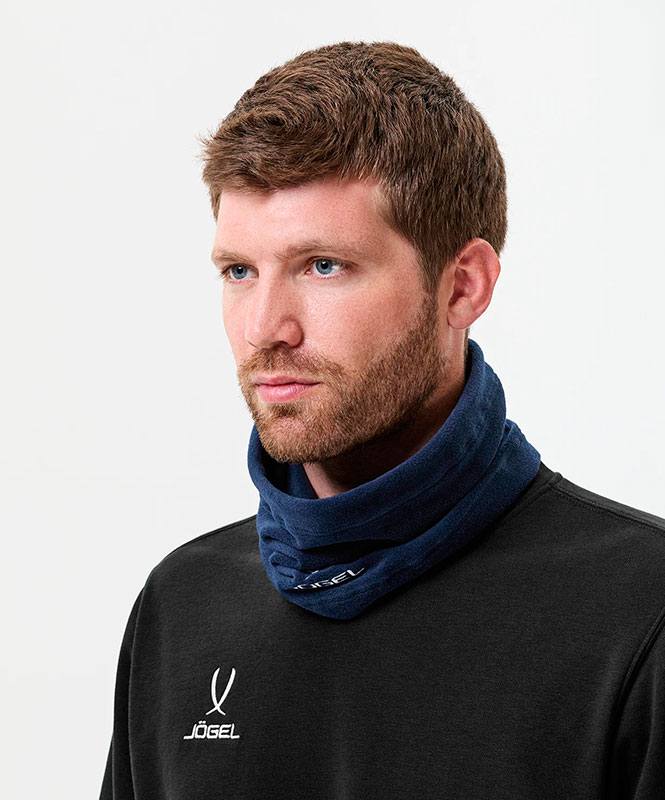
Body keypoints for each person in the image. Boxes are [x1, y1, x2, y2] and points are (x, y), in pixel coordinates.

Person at [100, 41, 665, 799]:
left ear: (463, 287)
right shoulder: (183, 604)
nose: (265, 327)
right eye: (239, 271)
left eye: (323, 266)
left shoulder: (640, 610)